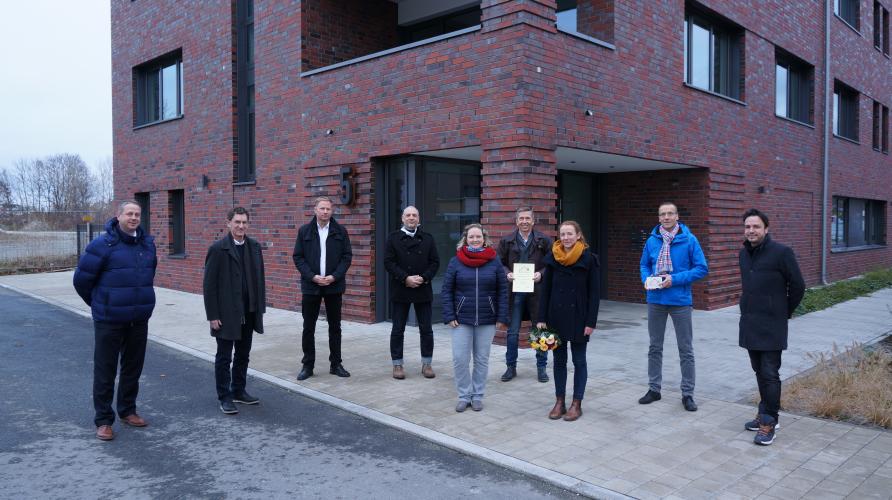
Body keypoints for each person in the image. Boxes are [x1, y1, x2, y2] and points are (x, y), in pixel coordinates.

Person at [73, 201, 157, 441]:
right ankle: (103, 420)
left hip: (138, 319)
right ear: (118, 216)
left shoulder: (147, 245)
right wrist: (100, 304)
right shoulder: (101, 245)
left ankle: (127, 410)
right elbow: (81, 280)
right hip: (109, 320)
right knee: (105, 370)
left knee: (133, 368)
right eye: (129, 213)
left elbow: (149, 275)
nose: (134, 217)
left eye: (137, 214)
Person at [738, 208, 804, 446]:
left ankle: (769, 422)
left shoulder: (782, 252)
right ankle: (763, 411)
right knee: (759, 372)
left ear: (766, 229)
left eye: (756, 226)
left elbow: (798, 286)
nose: (751, 230)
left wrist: (782, 312)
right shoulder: (743, 254)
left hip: (772, 325)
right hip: (750, 323)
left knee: (769, 374)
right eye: (747, 226)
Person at [638, 202, 708, 411]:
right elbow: (644, 264)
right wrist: (646, 279)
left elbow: (701, 268)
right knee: (654, 347)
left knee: (685, 349)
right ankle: (654, 389)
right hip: (656, 300)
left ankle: (687, 394)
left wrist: (675, 279)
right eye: (663, 214)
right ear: (659, 218)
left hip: (680, 301)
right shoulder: (652, 240)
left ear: (677, 216)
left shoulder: (689, 239)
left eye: (670, 213)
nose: (666, 217)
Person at [203, 207, 267, 415]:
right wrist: (213, 315)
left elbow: (260, 279)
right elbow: (209, 285)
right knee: (224, 357)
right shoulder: (218, 249)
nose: (241, 226)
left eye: (244, 222)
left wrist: (259, 308)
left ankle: (238, 390)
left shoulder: (254, 247)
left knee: (243, 354)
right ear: (228, 223)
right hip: (226, 313)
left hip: (249, 311)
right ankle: (225, 396)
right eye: (237, 222)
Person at [536, 221, 600, 421]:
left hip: (580, 317)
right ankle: (560, 401)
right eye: (562, 234)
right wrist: (541, 318)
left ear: (578, 235)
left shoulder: (589, 259)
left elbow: (594, 294)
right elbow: (545, 291)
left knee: (579, 361)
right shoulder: (552, 258)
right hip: (555, 317)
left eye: (570, 234)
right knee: (559, 361)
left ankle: (576, 403)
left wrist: (591, 322)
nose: (566, 238)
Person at [441, 223, 508, 412]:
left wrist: (501, 316)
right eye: (471, 237)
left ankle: (477, 395)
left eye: (478, 236)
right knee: (460, 359)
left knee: (481, 360)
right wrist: (449, 314)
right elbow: (447, 290)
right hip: (461, 320)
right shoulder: (456, 261)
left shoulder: (494, 261)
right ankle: (464, 396)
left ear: (484, 239)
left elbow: (503, 291)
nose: (475, 240)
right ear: (466, 239)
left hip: (487, 319)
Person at [292, 196, 353, 380]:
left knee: (335, 327)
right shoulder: (304, 231)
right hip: (311, 286)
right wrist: (312, 276)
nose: (325, 212)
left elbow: (347, 257)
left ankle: (336, 364)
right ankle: (307, 366)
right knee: (308, 327)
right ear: (315, 210)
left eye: (328, 209)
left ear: (332, 211)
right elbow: (298, 257)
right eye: (322, 208)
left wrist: (334, 276)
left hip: (334, 286)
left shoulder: (340, 231)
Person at [497, 207, 553, 383]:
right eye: (521, 218)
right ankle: (510, 367)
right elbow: (499, 263)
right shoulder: (506, 241)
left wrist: (541, 274)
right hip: (515, 293)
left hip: (538, 292)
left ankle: (542, 367)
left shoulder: (544, 240)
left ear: (533, 221)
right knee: (512, 332)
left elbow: (552, 264)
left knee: (541, 329)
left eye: (527, 218)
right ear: (516, 221)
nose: (524, 222)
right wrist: (507, 273)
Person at [383, 206, 440, 379]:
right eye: (408, 215)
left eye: (414, 215)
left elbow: (435, 262)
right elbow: (388, 262)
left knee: (426, 329)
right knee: (398, 329)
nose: (411, 218)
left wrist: (424, 278)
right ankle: (397, 364)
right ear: (402, 218)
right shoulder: (393, 238)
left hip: (423, 288)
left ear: (418, 218)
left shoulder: (428, 238)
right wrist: (405, 278)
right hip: (401, 288)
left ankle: (427, 364)